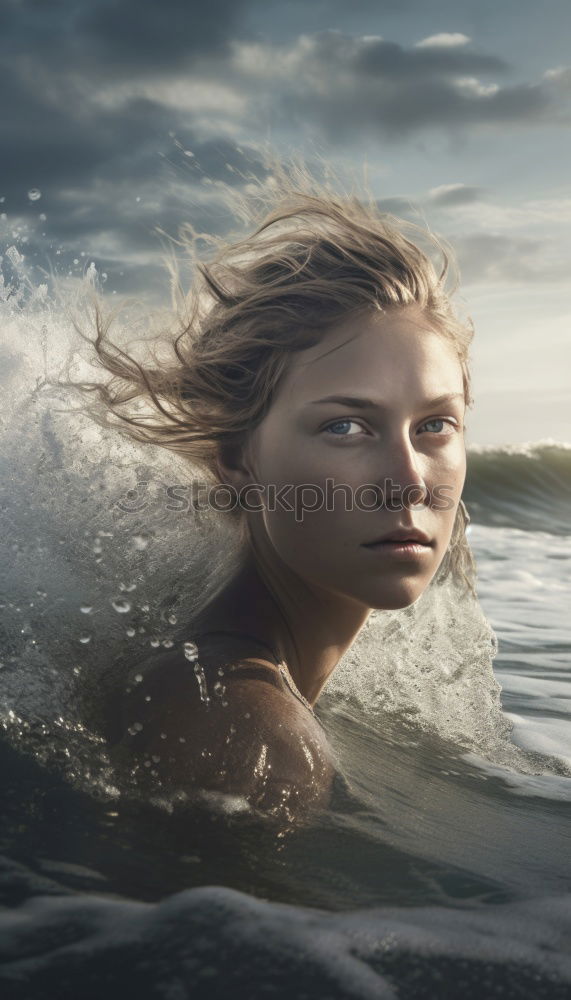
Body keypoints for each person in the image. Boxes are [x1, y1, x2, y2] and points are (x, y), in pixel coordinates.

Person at [69, 163, 476, 820]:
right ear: (237, 457)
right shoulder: (253, 742)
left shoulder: (212, 667)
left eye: (434, 425)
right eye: (345, 426)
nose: (408, 479)